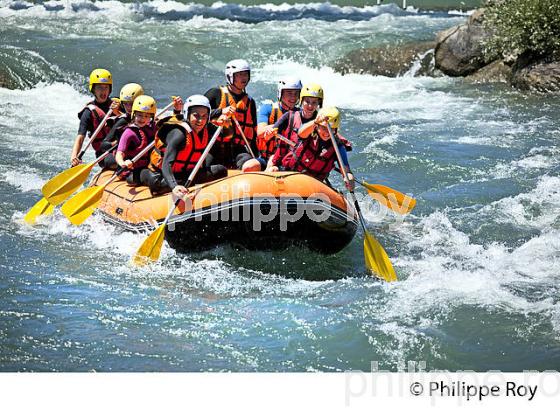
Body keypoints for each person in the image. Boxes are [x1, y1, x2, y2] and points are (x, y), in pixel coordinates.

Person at [140, 95, 229, 197]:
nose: (200, 120)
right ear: (188, 114)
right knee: (159, 185)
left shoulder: (206, 128)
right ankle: (143, 176)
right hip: (164, 175)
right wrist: (174, 186)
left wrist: (226, 125)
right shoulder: (179, 134)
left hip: (187, 173)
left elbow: (227, 136)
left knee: (221, 170)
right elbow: (166, 164)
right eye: (196, 115)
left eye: (204, 116)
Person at [281, 106, 355, 190]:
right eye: (324, 128)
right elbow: (301, 133)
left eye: (332, 129)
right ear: (317, 126)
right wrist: (316, 121)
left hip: (313, 184)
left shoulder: (337, 146)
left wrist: (349, 178)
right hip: (290, 175)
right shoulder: (308, 133)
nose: (327, 132)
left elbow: (346, 170)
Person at [204, 59, 258, 171]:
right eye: (240, 75)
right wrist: (220, 111)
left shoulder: (250, 103)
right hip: (213, 148)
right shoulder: (215, 93)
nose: (244, 78)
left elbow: (253, 134)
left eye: (246, 74)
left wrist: (256, 157)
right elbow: (194, 116)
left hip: (238, 150)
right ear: (230, 76)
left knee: (253, 164)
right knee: (204, 168)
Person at [266, 83, 324, 172]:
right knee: (272, 167)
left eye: (314, 102)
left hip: (306, 167)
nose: (310, 106)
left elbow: (336, 144)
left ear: (319, 103)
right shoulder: (290, 116)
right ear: (301, 101)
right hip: (286, 163)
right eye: (307, 101)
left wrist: (347, 171)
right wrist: (269, 133)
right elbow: (267, 136)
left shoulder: (322, 122)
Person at [70, 68, 118, 166]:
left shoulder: (118, 105)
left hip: (123, 147)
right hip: (104, 154)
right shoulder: (88, 112)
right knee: (115, 161)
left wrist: (117, 112)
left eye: (106, 87)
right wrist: (74, 156)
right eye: (100, 87)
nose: (103, 91)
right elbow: (80, 137)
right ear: (93, 89)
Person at [252, 76, 302, 169]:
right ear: (281, 93)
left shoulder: (301, 114)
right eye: (289, 93)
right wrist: (281, 125)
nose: (293, 97)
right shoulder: (268, 108)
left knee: (272, 167)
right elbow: (260, 132)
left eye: (296, 93)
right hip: (266, 157)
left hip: (288, 159)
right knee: (248, 166)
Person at [114, 95, 158, 186]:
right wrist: (123, 163)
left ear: (151, 117)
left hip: (147, 166)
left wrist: (177, 110)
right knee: (150, 176)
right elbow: (119, 153)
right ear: (134, 114)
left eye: (146, 116)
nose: (142, 119)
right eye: (139, 115)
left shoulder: (152, 128)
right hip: (131, 171)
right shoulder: (129, 132)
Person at [99, 82, 144, 169]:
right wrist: (116, 142)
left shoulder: (148, 118)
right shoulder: (123, 120)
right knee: (109, 160)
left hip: (140, 153)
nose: (128, 107)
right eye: (125, 103)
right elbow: (103, 145)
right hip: (124, 155)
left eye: (131, 103)